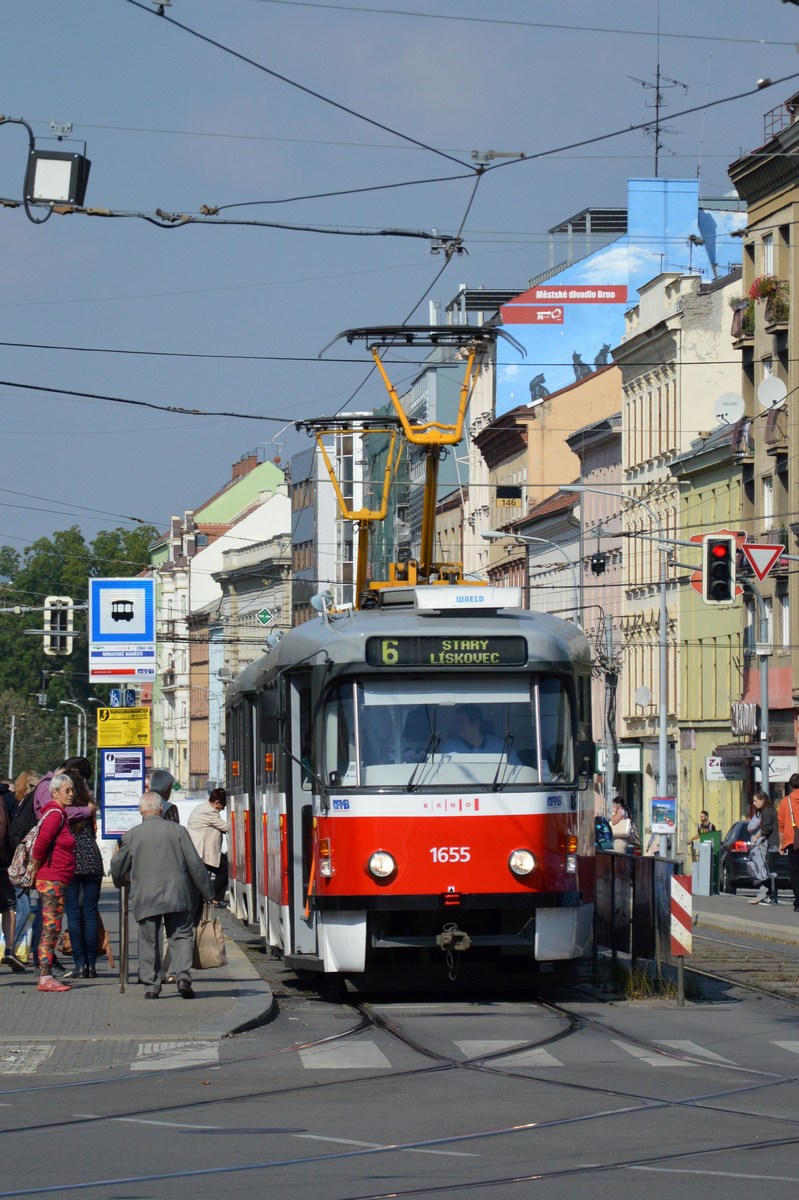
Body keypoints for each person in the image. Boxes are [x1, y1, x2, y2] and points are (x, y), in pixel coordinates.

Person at [110, 791, 212, 999]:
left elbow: (117, 865)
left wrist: (120, 881)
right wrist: (207, 893)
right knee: (182, 936)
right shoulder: (178, 831)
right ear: (160, 809)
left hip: (146, 896)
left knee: (149, 939)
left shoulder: (132, 834)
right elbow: (196, 865)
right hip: (178, 894)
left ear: (141, 810)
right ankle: (183, 976)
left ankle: (151, 986)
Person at [32, 773, 78, 993]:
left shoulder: (60, 814)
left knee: (53, 927)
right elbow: (40, 846)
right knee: (51, 928)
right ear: (55, 792)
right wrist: (34, 870)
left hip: (56, 878)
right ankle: (45, 976)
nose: (71, 793)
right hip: (51, 879)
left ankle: (46, 974)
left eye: (72, 790)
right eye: (67, 790)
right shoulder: (54, 815)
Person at [62, 771, 105, 979]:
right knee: (89, 913)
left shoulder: (65, 809)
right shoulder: (89, 806)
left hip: (70, 862)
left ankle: (79, 964)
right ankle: (92, 964)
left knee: (73, 913)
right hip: (92, 861)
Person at [187, 788, 228, 907]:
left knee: (202, 877)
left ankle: (210, 897)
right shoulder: (208, 812)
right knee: (225, 869)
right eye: (222, 805)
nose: (223, 808)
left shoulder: (203, 807)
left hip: (201, 850)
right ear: (216, 802)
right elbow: (225, 827)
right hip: (202, 851)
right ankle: (213, 898)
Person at [747, 790, 777, 905]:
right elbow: (750, 827)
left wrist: (757, 836)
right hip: (762, 844)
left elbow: (767, 828)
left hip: (766, 844)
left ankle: (767, 894)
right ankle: (765, 893)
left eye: (756, 801)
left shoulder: (767, 812)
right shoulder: (760, 813)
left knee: (763, 869)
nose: (754, 803)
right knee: (760, 868)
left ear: (763, 801)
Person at [778, 773, 799, 912]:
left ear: (791, 785)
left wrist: (781, 844)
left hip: (792, 841)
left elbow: (780, 825)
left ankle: (798, 902)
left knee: (795, 872)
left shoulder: (786, 801)